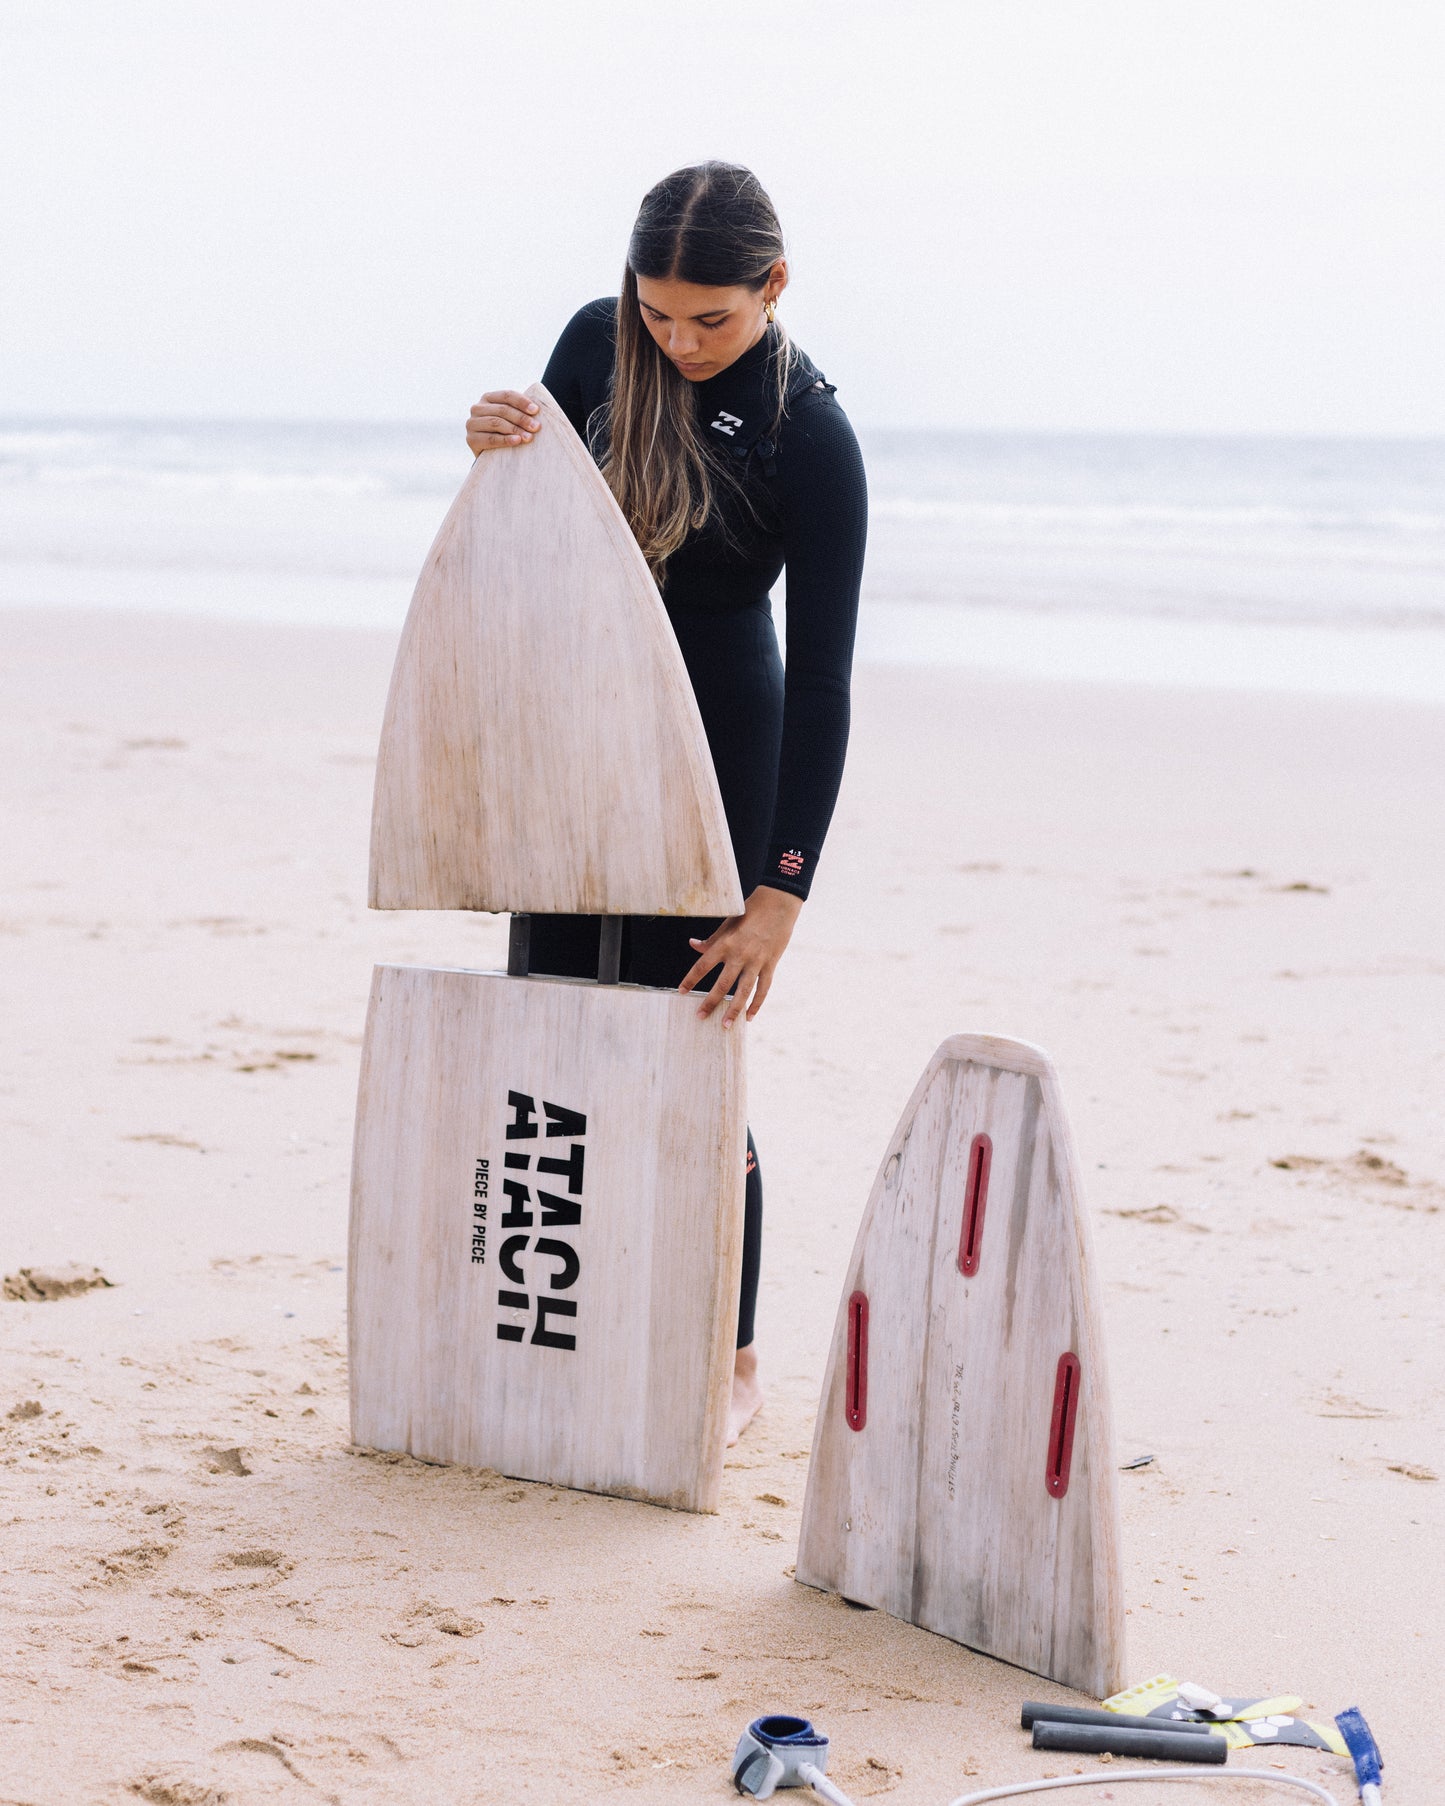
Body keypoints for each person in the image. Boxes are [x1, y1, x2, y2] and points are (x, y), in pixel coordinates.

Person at [464, 161, 867, 1444]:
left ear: (773, 287)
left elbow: (826, 684)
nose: (679, 343)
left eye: (712, 320)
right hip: (578, 734)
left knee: (687, 1061)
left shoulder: (812, 436)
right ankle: (556, 1320)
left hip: (719, 755)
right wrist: (490, 448)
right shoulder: (595, 345)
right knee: (549, 1039)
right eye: (658, 314)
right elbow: (526, 531)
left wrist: (779, 896)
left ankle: (728, 1358)